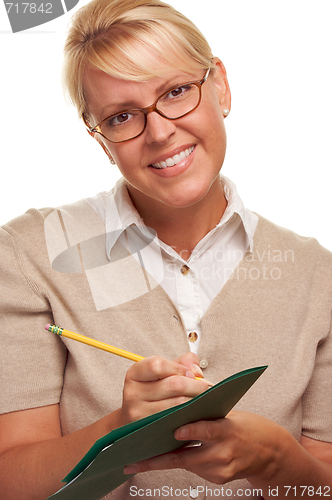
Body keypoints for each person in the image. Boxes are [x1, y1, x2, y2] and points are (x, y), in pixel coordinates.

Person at [0, 0, 331, 499]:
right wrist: (119, 430)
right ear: (101, 140)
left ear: (219, 84)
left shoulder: (317, 276)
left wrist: (277, 461)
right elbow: (9, 481)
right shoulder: (30, 256)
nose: (159, 132)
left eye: (177, 92)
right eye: (122, 116)